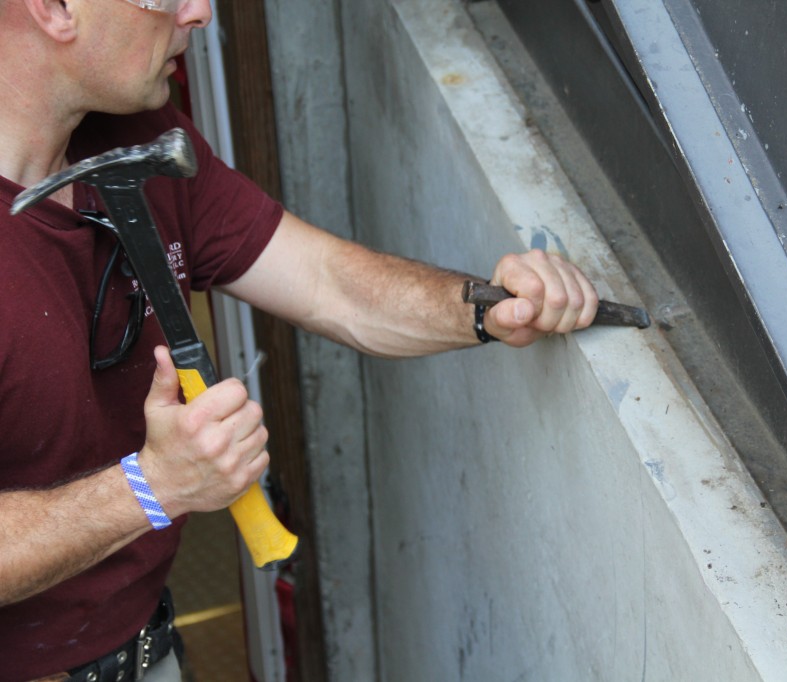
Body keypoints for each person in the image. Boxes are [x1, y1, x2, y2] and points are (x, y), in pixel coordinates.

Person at [0, 0, 599, 679]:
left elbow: (325, 283)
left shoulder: (131, 135)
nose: (199, 13)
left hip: (143, 651)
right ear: (52, 8)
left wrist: (488, 308)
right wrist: (151, 486)